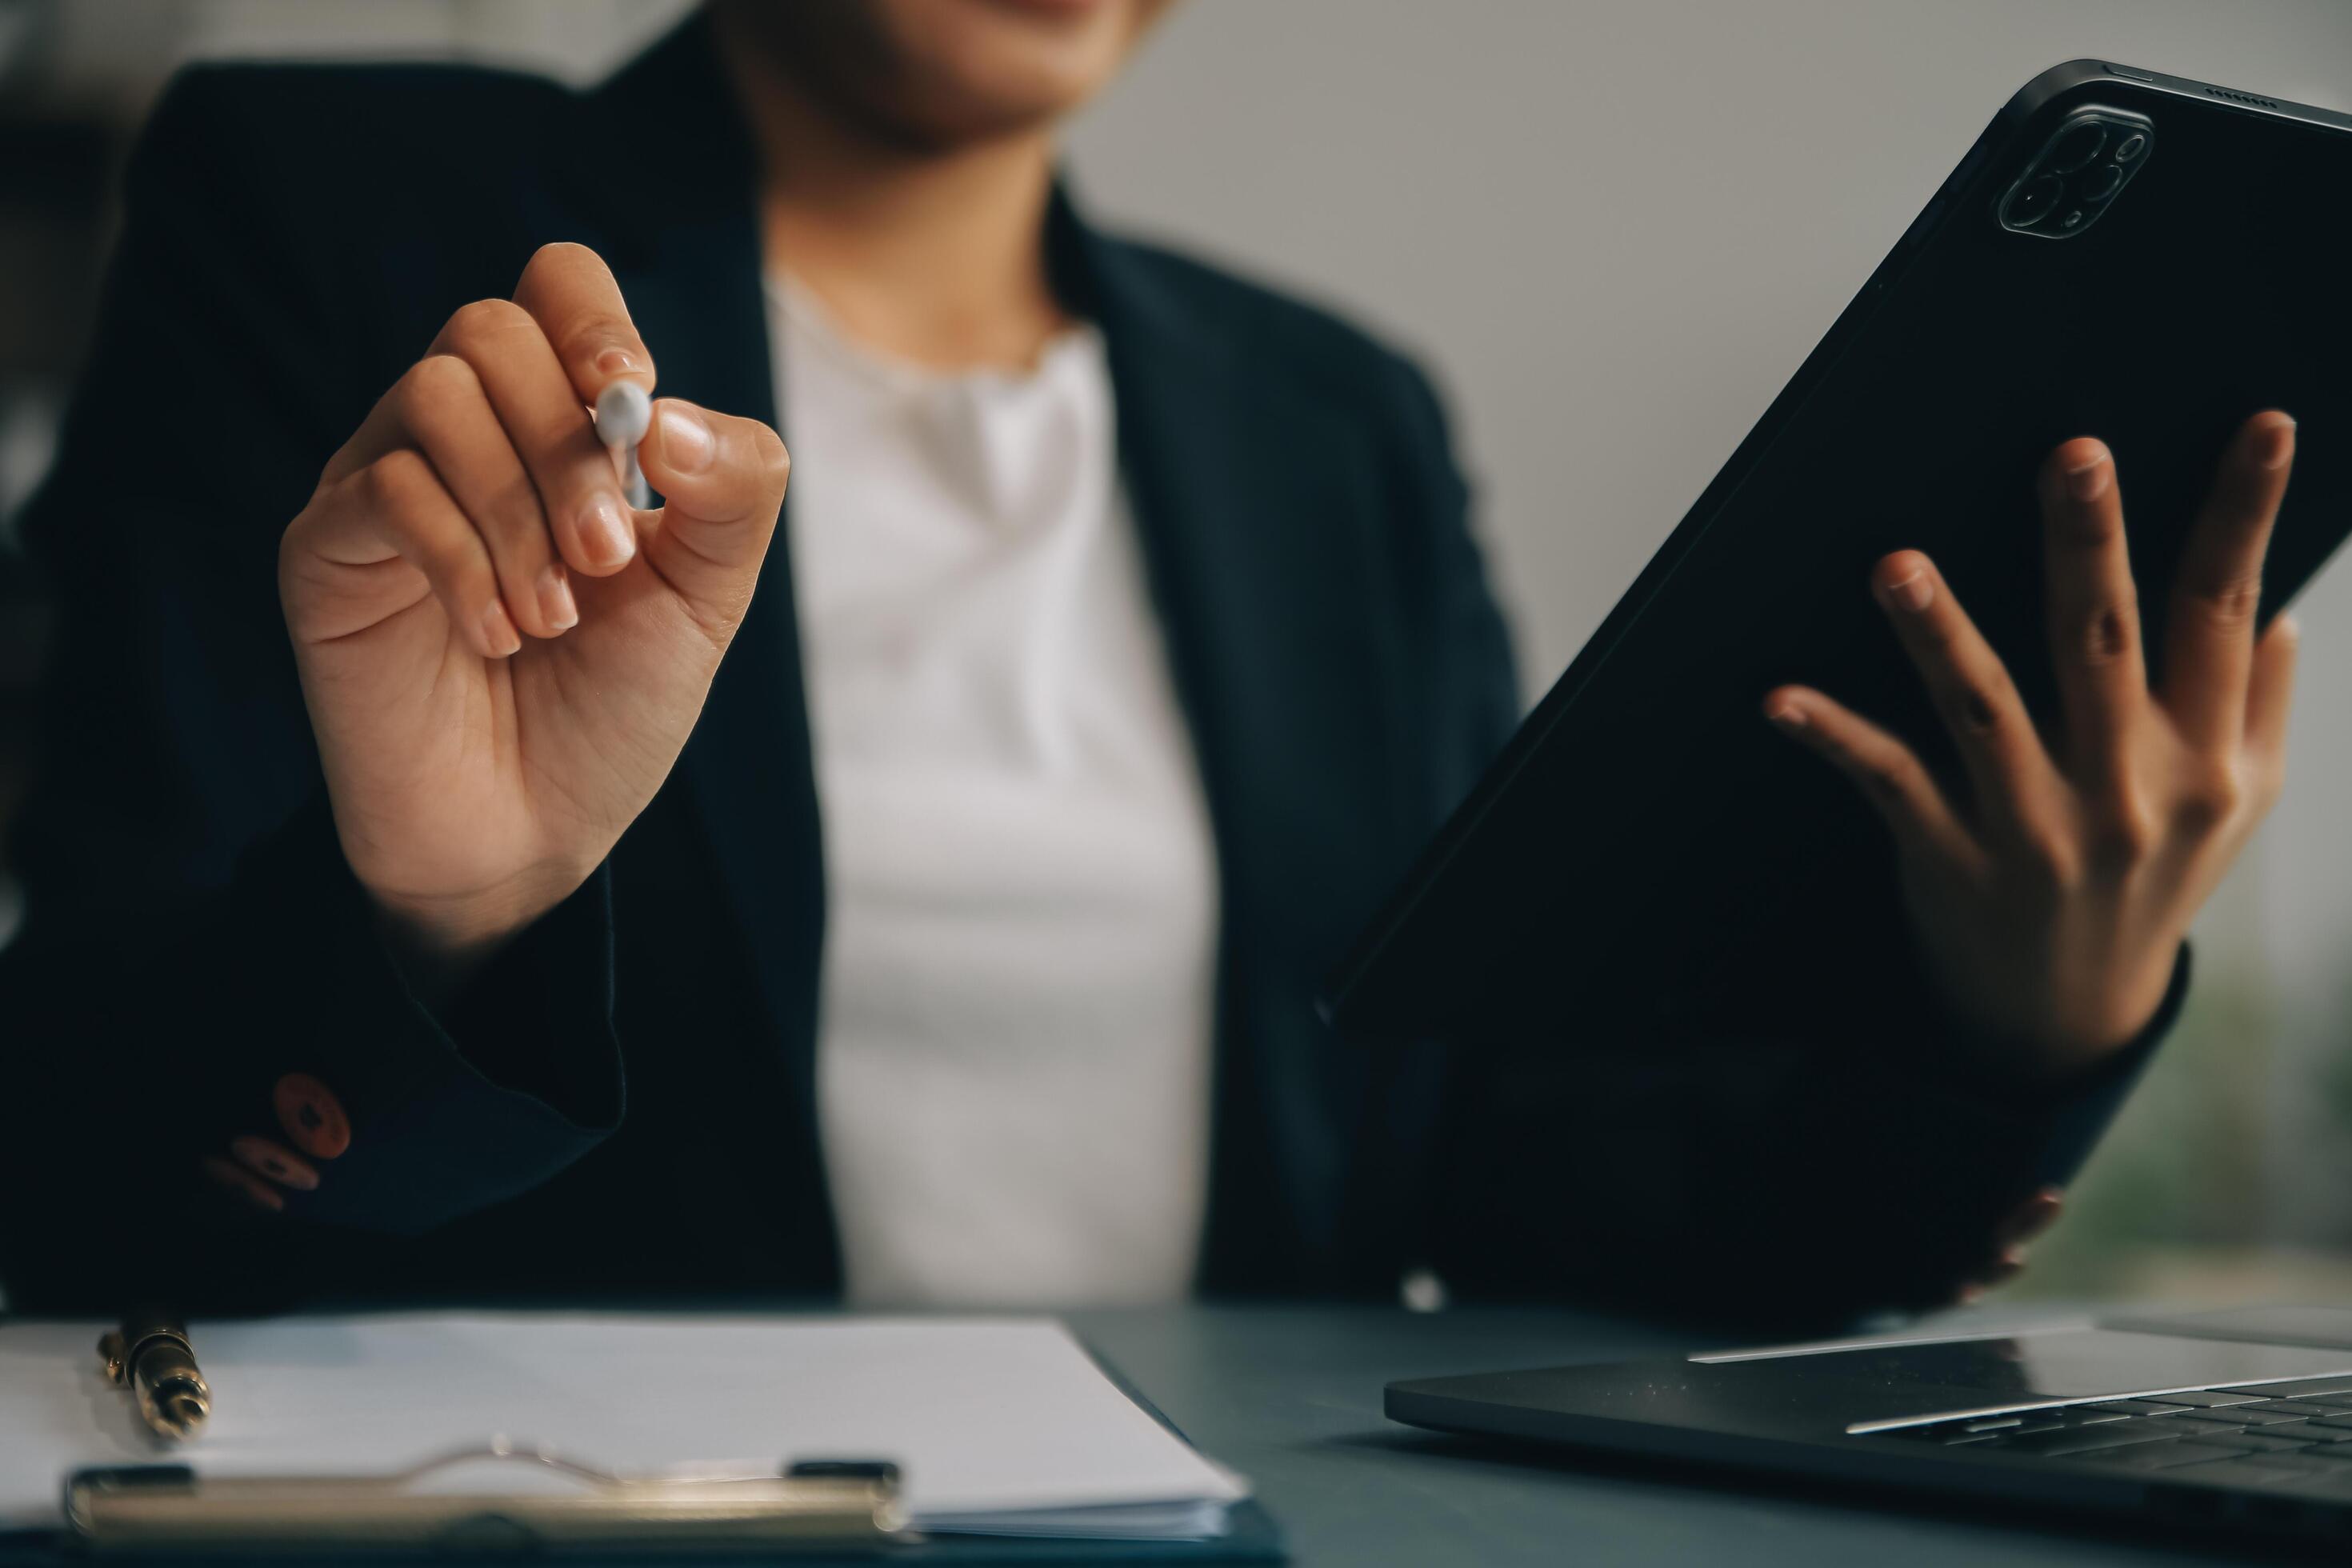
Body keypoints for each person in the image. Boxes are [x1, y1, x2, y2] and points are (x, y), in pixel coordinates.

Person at [0, 0, 2298, 1326]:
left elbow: (1521, 1183)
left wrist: (2024, 1022)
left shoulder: (1330, 421)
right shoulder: (348, 216)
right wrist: (442, 922)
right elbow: (100, 1142)